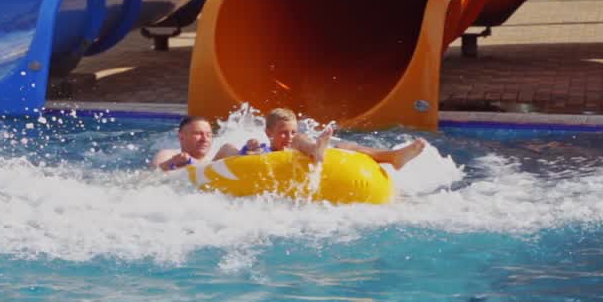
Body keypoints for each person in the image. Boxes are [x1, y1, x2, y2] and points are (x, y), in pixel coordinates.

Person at [239, 107, 426, 169]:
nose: (288, 137)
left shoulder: (295, 143)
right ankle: (316, 150)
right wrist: (250, 148)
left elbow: (295, 138)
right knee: (299, 141)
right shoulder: (263, 149)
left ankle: (392, 157)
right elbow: (245, 159)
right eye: (283, 132)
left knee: (346, 146)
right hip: (299, 155)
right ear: (268, 133)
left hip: (311, 152)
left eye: (292, 131)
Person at [152, 116, 217, 171]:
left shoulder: (214, 156)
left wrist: (192, 161)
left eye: (208, 135)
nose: (205, 139)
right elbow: (155, 171)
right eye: (198, 134)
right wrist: (172, 162)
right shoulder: (168, 154)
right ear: (181, 137)